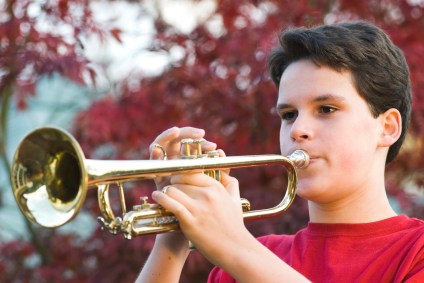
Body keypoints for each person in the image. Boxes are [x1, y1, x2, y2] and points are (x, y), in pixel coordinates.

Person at [136, 21, 424, 283]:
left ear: (387, 127)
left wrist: (235, 248)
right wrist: (174, 230)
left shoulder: (416, 251)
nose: (298, 129)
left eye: (326, 109)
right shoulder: (254, 258)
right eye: (288, 114)